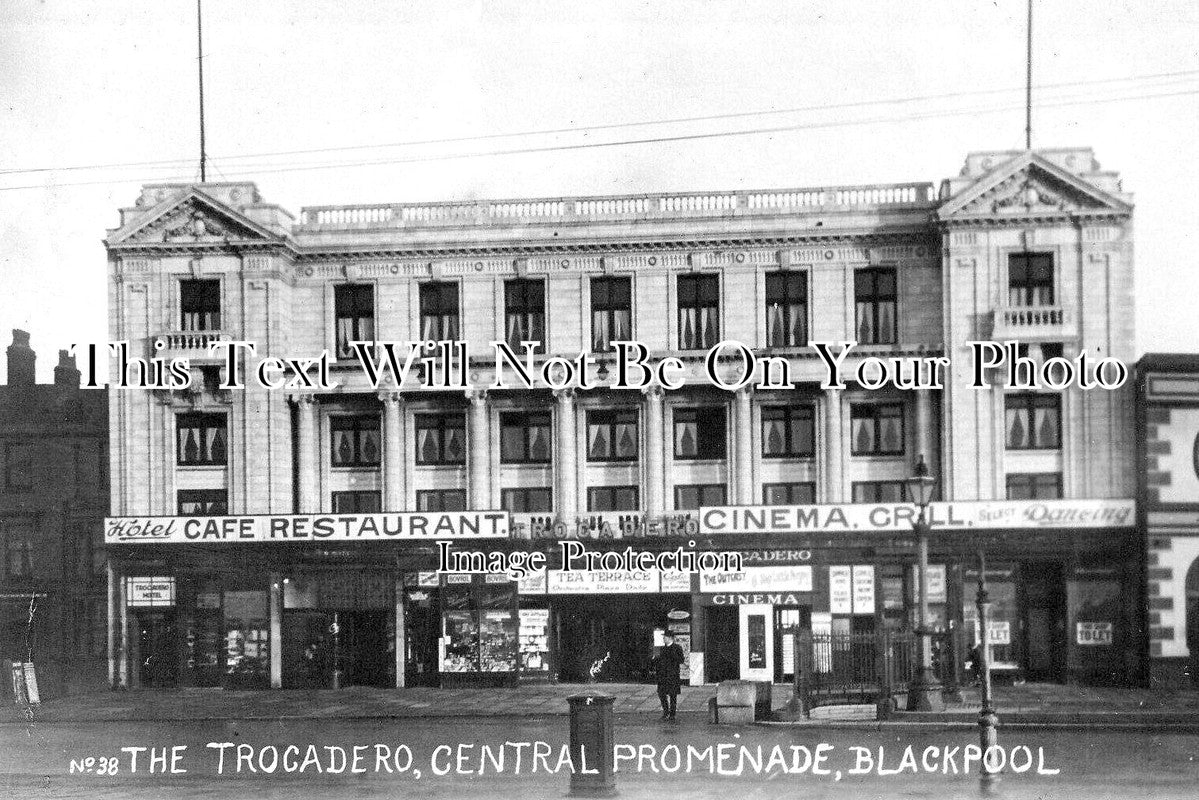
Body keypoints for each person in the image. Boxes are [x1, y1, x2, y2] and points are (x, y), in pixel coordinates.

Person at [653, 631, 685, 721]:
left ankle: (672, 713)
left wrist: (674, 656)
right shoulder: (662, 649)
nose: (664, 639)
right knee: (661, 694)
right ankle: (666, 711)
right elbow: (659, 661)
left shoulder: (677, 648)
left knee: (673, 695)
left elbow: (681, 660)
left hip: (672, 675)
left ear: (670, 638)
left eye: (665, 637)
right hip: (663, 675)